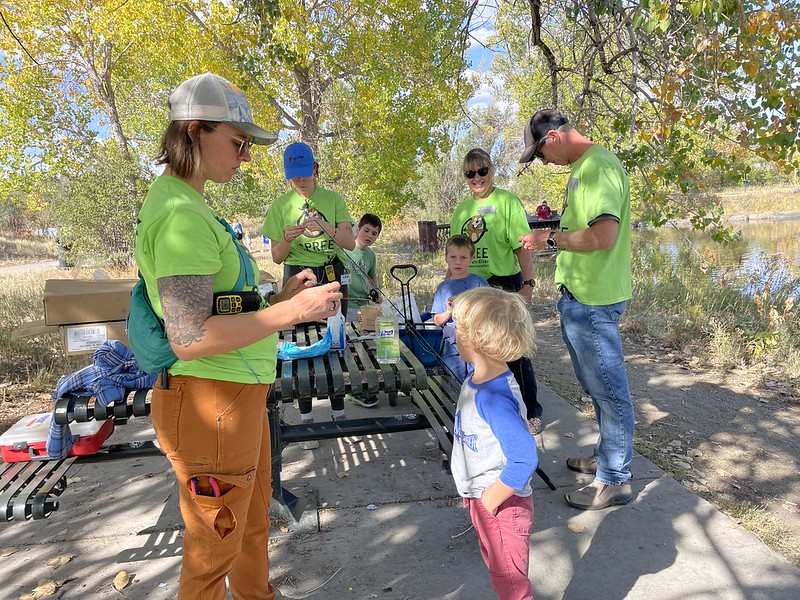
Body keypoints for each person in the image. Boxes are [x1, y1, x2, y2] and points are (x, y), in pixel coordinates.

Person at [134, 72, 343, 600]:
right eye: (237, 141)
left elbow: (217, 308)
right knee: (212, 554)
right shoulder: (180, 214)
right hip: (209, 404)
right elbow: (189, 336)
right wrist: (291, 312)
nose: (245, 156)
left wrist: (276, 301)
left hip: (237, 398)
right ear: (195, 131)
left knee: (248, 529)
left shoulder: (193, 203)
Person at [518, 109, 635, 511]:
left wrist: (550, 237)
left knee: (611, 391)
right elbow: (582, 234)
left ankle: (615, 479)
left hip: (595, 299)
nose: (544, 163)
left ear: (553, 138)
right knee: (597, 388)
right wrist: (552, 240)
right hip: (581, 296)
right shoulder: (585, 169)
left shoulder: (599, 166)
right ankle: (607, 460)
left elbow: (604, 236)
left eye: (541, 155)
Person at [262, 141, 356, 442]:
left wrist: (326, 226)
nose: (300, 180)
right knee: (301, 341)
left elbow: (350, 243)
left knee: (335, 337)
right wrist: (288, 239)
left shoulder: (332, 199)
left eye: (305, 173)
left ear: (315, 169)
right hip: (296, 275)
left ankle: (339, 412)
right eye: (294, 175)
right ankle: (306, 418)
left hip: (331, 272)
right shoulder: (280, 206)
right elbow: (277, 257)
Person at [450, 286, 538, 600]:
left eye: (458, 328)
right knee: (500, 574)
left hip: (502, 506)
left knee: (512, 586)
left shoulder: (494, 396)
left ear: (476, 340)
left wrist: (489, 500)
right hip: (484, 500)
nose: (453, 333)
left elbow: (524, 458)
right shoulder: (477, 379)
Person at [451, 148, 544, 435]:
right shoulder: (462, 210)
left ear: (491, 170)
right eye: (470, 173)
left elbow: (522, 247)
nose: (477, 177)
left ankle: (531, 410)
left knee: (514, 351)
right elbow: (455, 253)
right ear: (465, 177)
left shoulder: (507, 201)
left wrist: (526, 286)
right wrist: (450, 289)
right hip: (472, 285)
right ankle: (489, 406)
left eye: (482, 171)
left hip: (504, 285)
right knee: (476, 349)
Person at [432, 235, 488, 384]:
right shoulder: (443, 288)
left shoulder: (479, 282)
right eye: (453, 257)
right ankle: (460, 405)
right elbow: (437, 320)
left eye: (463, 257)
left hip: (476, 341)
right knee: (457, 381)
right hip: (452, 344)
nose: (458, 262)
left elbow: (490, 311)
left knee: (478, 379)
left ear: (471, 259)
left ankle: (475, 406)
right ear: (446, 258)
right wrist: (450, 311)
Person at [343, 213, 383, 408]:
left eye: (374, 233)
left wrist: (377, 294)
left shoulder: (371, 255)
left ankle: (367, 384)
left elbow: (371, 279)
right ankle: (354, 389)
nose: (369, 235)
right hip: (346, 305)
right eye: (366, 230)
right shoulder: (344, 249)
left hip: (364, 306)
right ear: (357, 230)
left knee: (366, 346)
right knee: (351, 348)